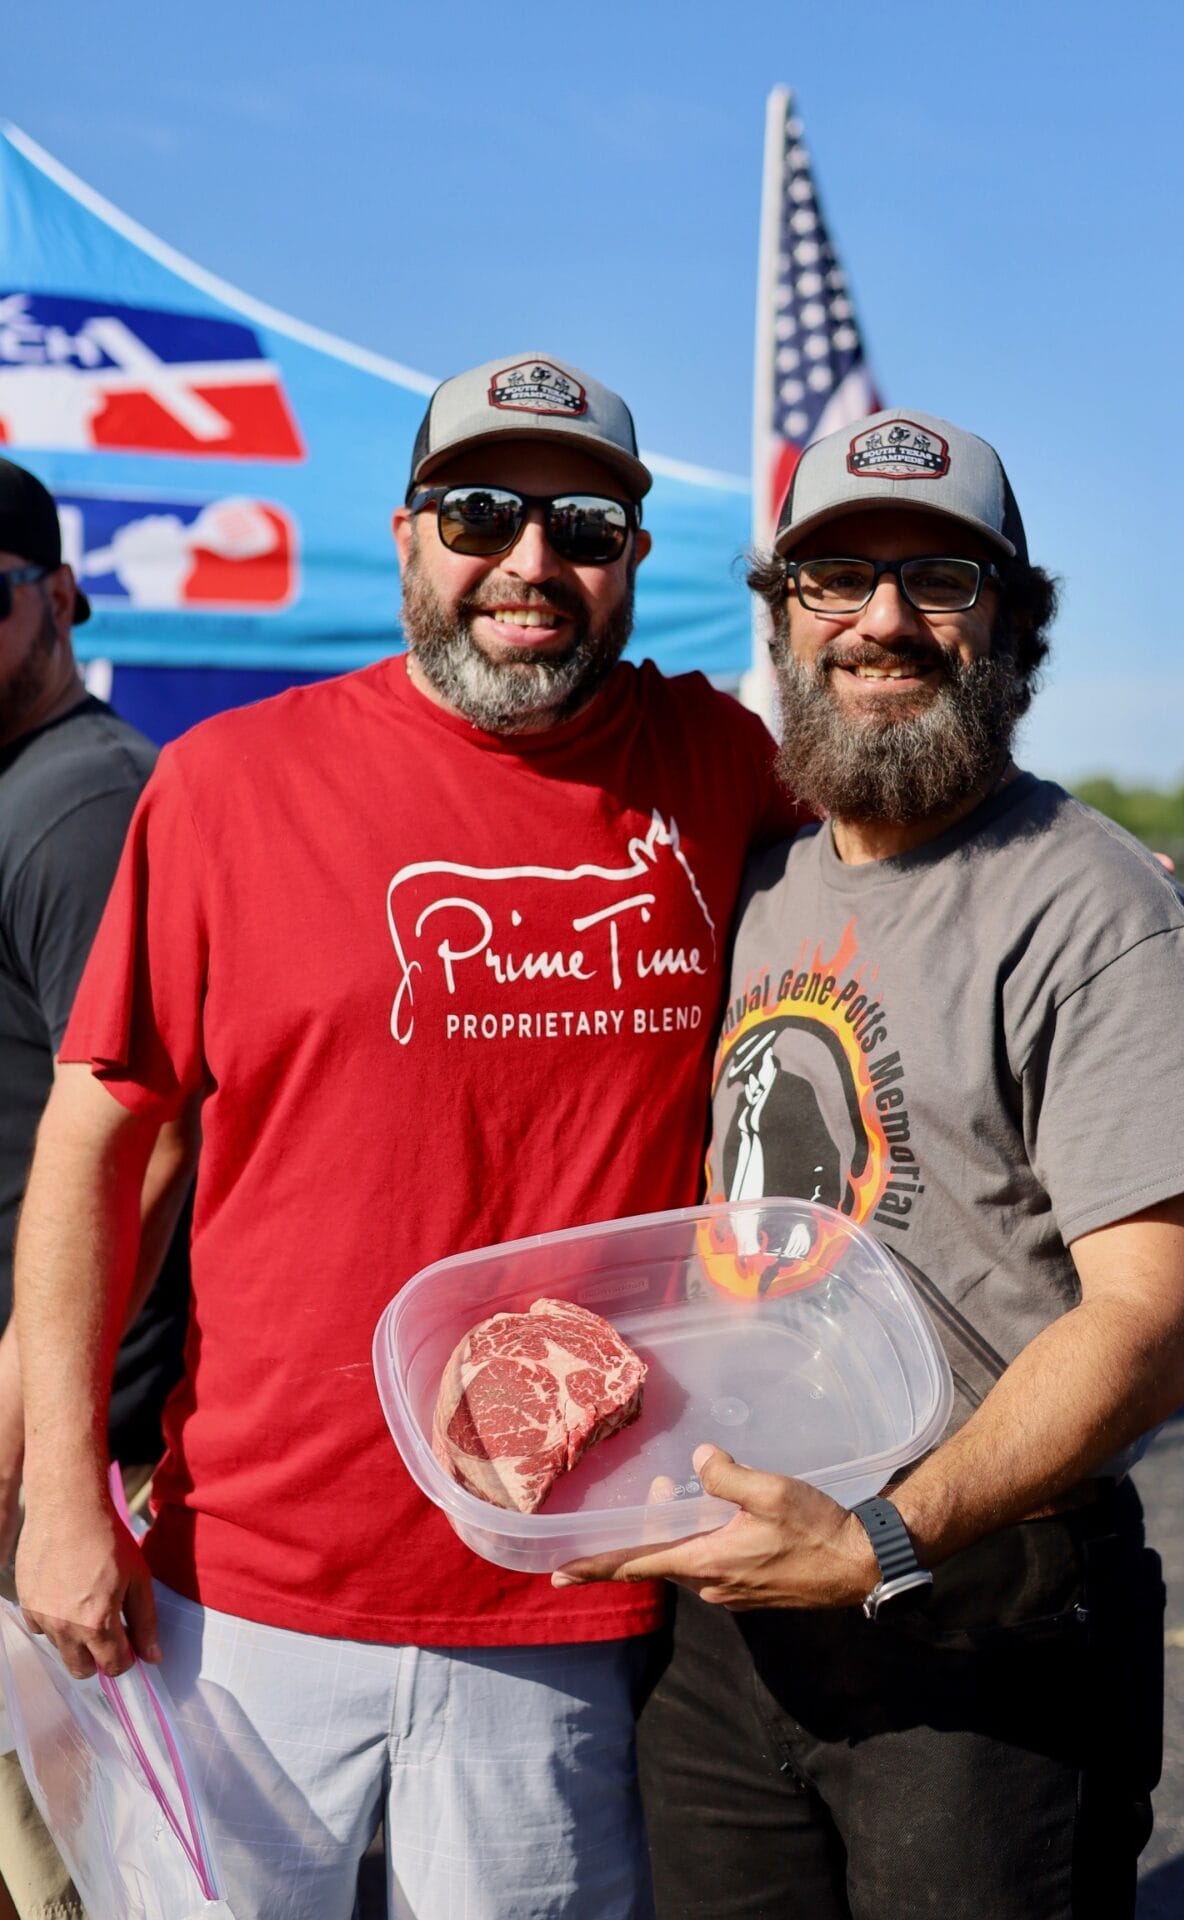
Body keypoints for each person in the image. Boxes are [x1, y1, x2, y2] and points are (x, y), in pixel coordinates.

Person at [13, 356, 798, 1920]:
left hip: (565, 1591)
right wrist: (54, 1498)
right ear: (406, 534)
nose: (530, 560)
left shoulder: (721, 772)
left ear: (637, 560)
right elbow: (98, 1148)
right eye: (480, 512)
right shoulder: (229, 788)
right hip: (252, 1591)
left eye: (583, 524)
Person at [555, 409, 1184, 1919]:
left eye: (937, 576)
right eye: (834, 579)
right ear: (784, 616)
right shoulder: (750, 880)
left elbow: (1150, 1322)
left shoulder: (1091, 909)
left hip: (979, 1616)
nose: (883, 620)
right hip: (731, 1615)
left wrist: (881, 1536)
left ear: (1008, 617)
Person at [0, 458, 191, 1920]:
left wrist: (48, 1439)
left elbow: (151, 1138)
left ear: (57, 597)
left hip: (71, 1440)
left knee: (92, 1872)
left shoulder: (84, 801)